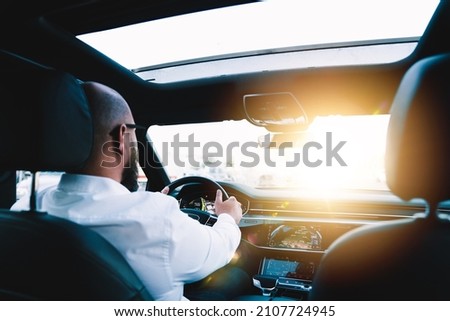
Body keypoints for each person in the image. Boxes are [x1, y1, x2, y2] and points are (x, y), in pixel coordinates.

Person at [12, 81, 244, 301]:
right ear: (121, 137)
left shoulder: (21, 211)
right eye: (134, 132)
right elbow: (220, 247)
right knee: (237, 278)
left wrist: (148, 205)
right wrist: (228, 216)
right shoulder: (157, 220)